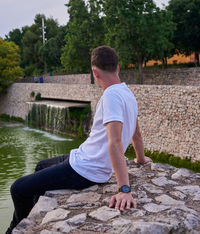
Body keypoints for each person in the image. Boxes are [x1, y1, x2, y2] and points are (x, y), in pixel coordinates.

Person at [6, 46, 152, 234]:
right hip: (81, 157)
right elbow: (136, 133)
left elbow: (115, 142)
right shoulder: (127, 93)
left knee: (17, 188)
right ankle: (36, 219)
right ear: (118, 67)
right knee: (41, 166)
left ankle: (16, 229)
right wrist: (140, 158)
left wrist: (124, 189)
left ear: (94, 72)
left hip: (85, 170)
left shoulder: (111, 96)